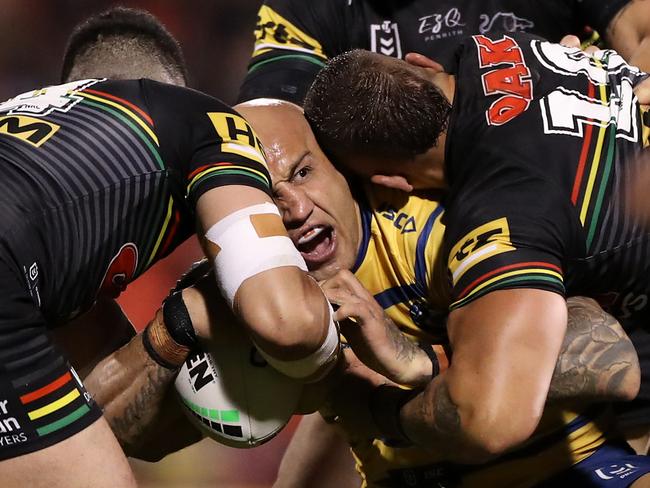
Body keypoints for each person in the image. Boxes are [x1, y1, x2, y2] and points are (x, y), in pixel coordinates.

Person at [0, 7, 339, 488]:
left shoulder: (50, 192)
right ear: (170, 89)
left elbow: (100, 420)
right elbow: (287, 322)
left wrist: (175, 327)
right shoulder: (201, 118)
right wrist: (335, 354)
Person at [235, 100, 649, 487]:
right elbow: (344, 403)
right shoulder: (258, 290)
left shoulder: (437, 235)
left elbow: (610, 358)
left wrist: (417, 362)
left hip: (571, 467)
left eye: (304, 173)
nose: (295, 208)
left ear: (341, 168)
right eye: (266, 195)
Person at [301, 33, 650, 464]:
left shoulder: (503, 209)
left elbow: (489, 418)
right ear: (423, 64)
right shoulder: (502, 43)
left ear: (391, 182)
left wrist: (387, 416)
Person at [238, 0, 650, 106]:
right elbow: (270, 119)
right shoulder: (296, 9)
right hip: (409, 216)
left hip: (573, 176)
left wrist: (608, 98)